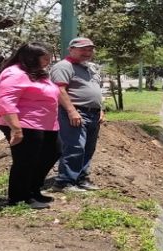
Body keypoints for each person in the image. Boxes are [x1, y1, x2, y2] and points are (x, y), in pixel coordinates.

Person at [0, 42, 61, 209]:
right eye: (45, 58)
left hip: (44, 123)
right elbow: (5, 101)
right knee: (26, 160)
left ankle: (33, 190)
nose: (48, 62)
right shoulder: (14, 73)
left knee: (52, 153)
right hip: (24, 123)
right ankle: (19, 197)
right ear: (32, 58)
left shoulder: (35, 73)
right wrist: (16, 129)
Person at [50, 37, 104, 193]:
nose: (87, 52)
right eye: (83, 49)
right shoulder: (64, 66)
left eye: (90, 49)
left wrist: (100, 109)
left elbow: (95, 90)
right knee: (75, 146)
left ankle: (81, 178)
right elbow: (60, 90)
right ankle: (64, 182)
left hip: (93, 113)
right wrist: (71, 110)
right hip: (75, 112)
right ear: (71, 49)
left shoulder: (90, 67)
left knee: (88, 148)